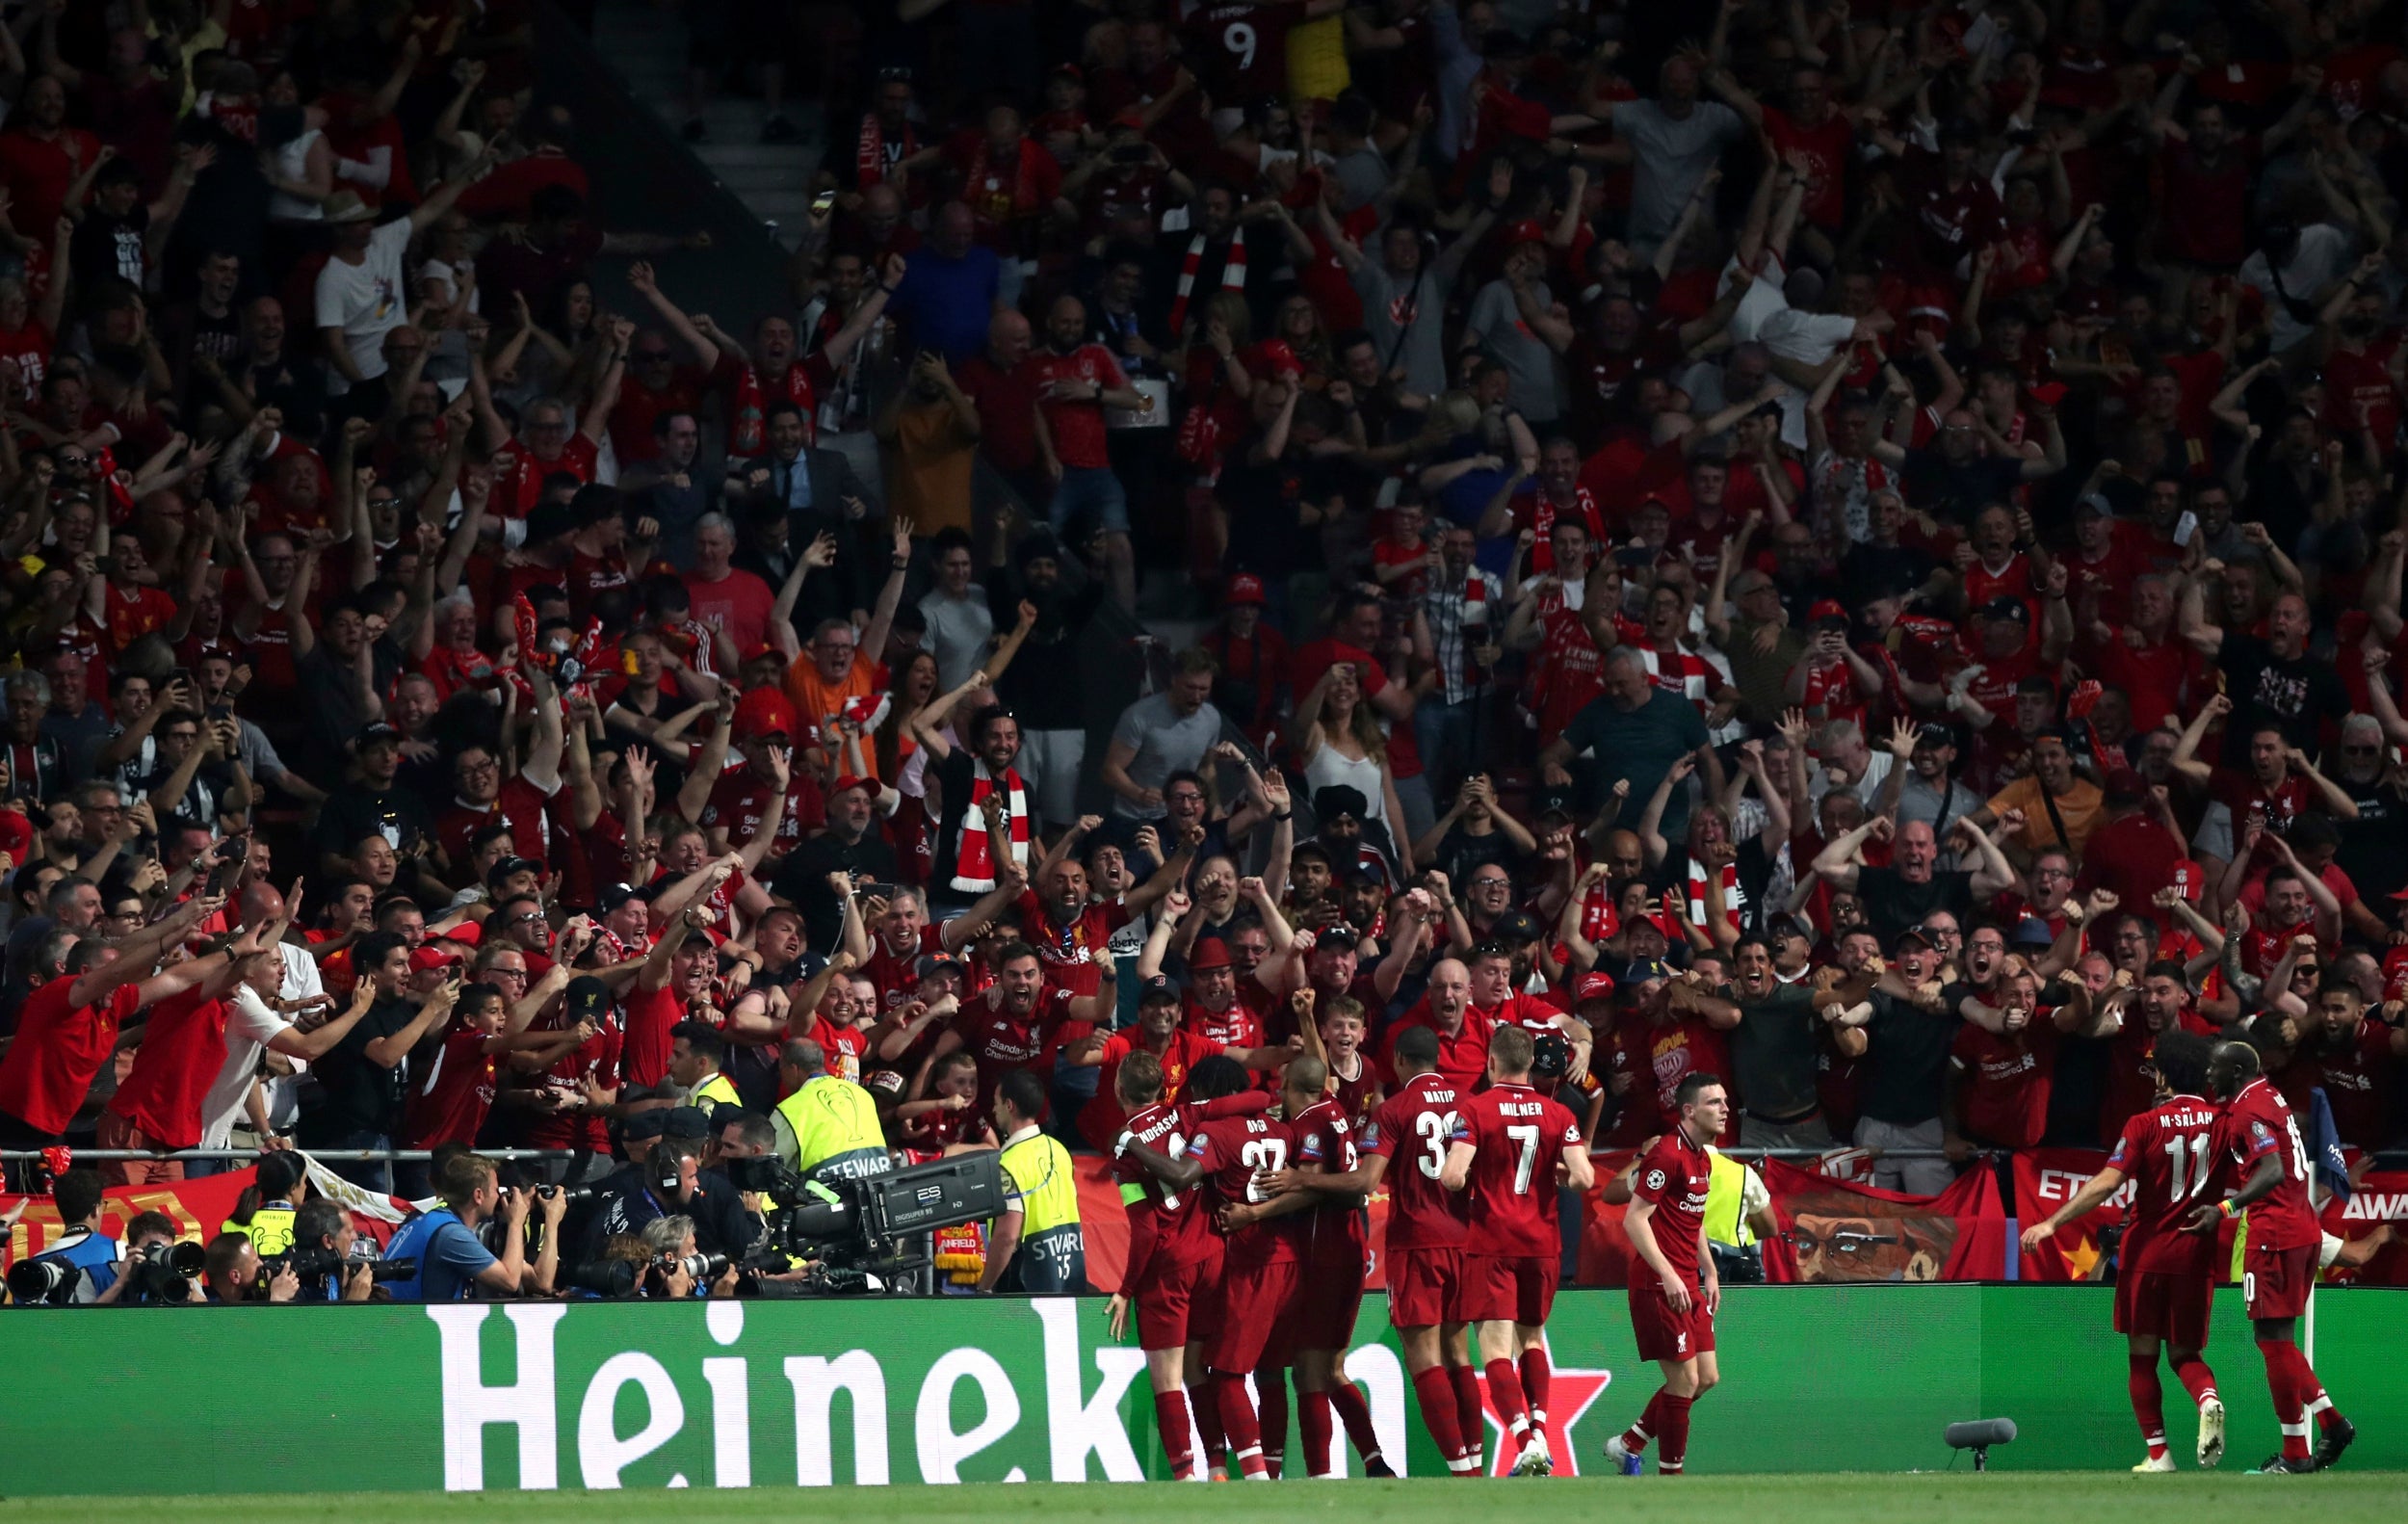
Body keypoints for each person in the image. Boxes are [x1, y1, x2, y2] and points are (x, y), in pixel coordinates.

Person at [2020, 1031, 2228, 1473]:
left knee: (2142, 1357)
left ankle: (2159, 1455)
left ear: (2164, 1075)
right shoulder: (2224, 1122)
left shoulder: (2143, 1124)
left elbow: (2108, 1182)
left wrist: (2051, 1222)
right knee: (2186, 1356)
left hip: (2148, 1254)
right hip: (2197, 1255)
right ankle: (2207, 1399)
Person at [2182, 1040, 2354, 1473]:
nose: (2210, 1076)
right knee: (2276, 1341)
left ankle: (2297, 1454)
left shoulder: (2248, 1110)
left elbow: (2272, 1169)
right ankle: (2330, 1425)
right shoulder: (2267, 1095)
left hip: (2274, 1235)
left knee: (2273, 1343)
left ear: (2236, 1070)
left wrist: (2224, 1209)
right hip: (2301, 1229)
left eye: (2216, 1068)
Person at [1439, 1024, 1593, 1475]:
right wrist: (1557, 1174)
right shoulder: (1558, 1115)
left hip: (1492, 1243)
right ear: (1529, 1065)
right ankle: (1542, 1432)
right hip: (1542, 1243)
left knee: (1494, 1350)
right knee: (1531, 1338)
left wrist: (1471, 1177)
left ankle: (1526, 1440)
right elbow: (1584, 1179)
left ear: (1491, 1062)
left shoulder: (1476, 1109)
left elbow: (1451, 1176)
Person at [1605, 1072, 1729, 1479]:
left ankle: (1629, 1444)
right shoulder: (1667, 1154)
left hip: (1687, 1283)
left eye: (1725, 1102)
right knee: (1683, 1381)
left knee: (1706, 1378)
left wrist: (1708, 1270)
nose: (1725, 1109)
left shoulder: (1703, 1158)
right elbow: (1634, 1219)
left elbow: (1692, 1218)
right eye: (1715, 1103)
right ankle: (1671, 1480)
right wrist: (1671, 1275)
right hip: (1658, 1285)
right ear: (1690, 1111)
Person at [381, 1152, 561, 1301]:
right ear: (478, 1195)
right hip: (416, 1328)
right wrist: (516, 1222)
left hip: (402, 1320)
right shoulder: (452, 1235)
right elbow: (510, 1281)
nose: (499, 1196)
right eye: (495, 1190)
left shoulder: (426, 1222)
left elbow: (541, 1283)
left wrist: (550, 1219)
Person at [979, 1067, 1086, 1294]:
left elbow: (1007, 1237)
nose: (993, 1108)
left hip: (1026, 1285)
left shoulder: (1009, 1164)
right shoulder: (1059, 1150)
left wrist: (984, 1287)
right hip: (1068, 1276)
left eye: (996, 1102)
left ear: (1009, 1105)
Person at [772, 1038, 892, 1185]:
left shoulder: (790, 1109)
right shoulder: (862, 1094)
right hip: (880, 1189)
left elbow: (769, 1167)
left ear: (794, 1069)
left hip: (828, 1201)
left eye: (781, 1070)